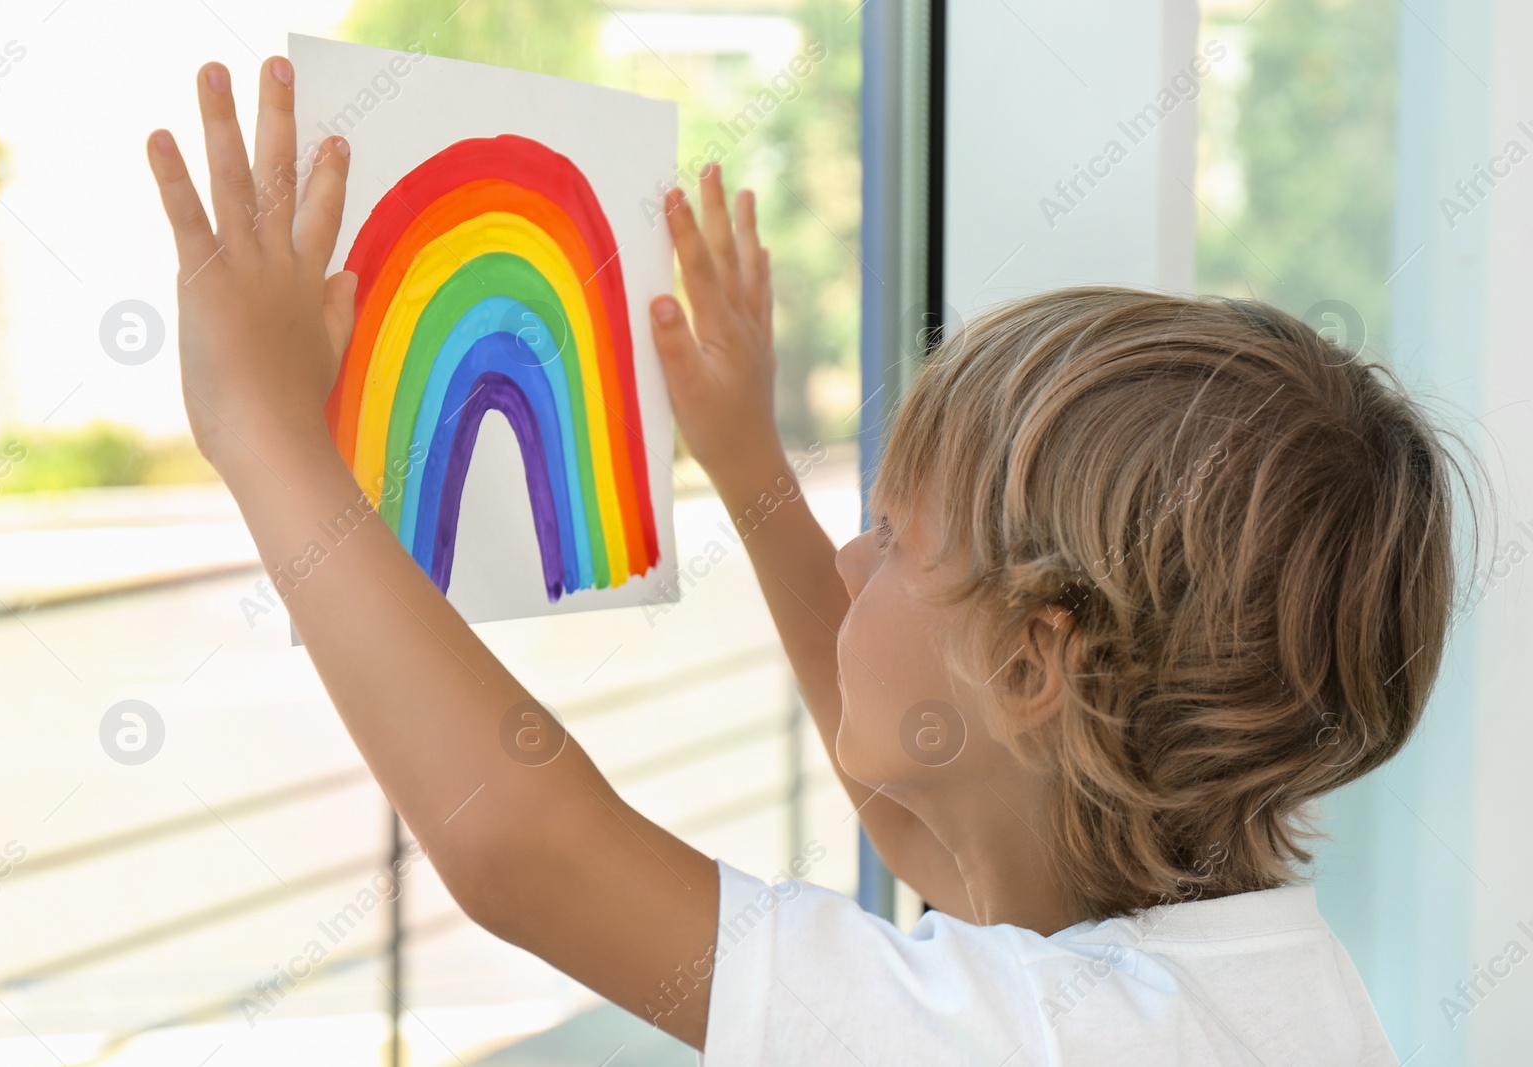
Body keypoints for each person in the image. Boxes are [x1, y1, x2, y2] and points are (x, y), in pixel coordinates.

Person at [147, 57, 1465, 1065]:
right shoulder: (1240, 979)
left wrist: (267, 428)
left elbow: (529, 856)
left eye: (892, 539)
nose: (847, 566)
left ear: (1029, 663)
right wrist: (745, 460)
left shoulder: (1061, 1038)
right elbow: (912, 806)